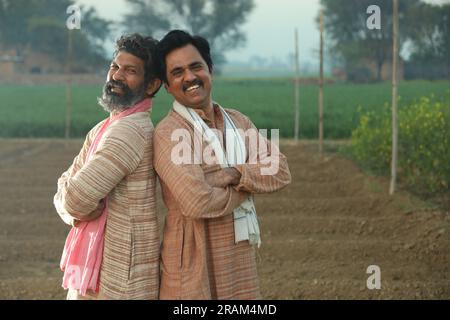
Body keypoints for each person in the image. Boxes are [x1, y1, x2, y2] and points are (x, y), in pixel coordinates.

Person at [153, 30, 292, 299]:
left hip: (238, 258)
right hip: (192, 262)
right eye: (178, 72)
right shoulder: (169, 132)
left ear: (210, 70)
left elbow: (280, 169)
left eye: (196, 67)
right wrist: (249, 185)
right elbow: (197, 202)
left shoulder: (238, 122)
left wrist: (232, 173)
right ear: (167, 86)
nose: (190, 77)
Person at [53, 34, 162, 300]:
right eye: (114, 66)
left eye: (130, 70)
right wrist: (71, 200)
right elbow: (66, 194)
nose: (117, 75)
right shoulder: (104, 129)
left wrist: (72, 199)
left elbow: (75, 198)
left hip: (117, 276)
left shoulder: (129, 131)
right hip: (102, 267)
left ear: (152, 84)